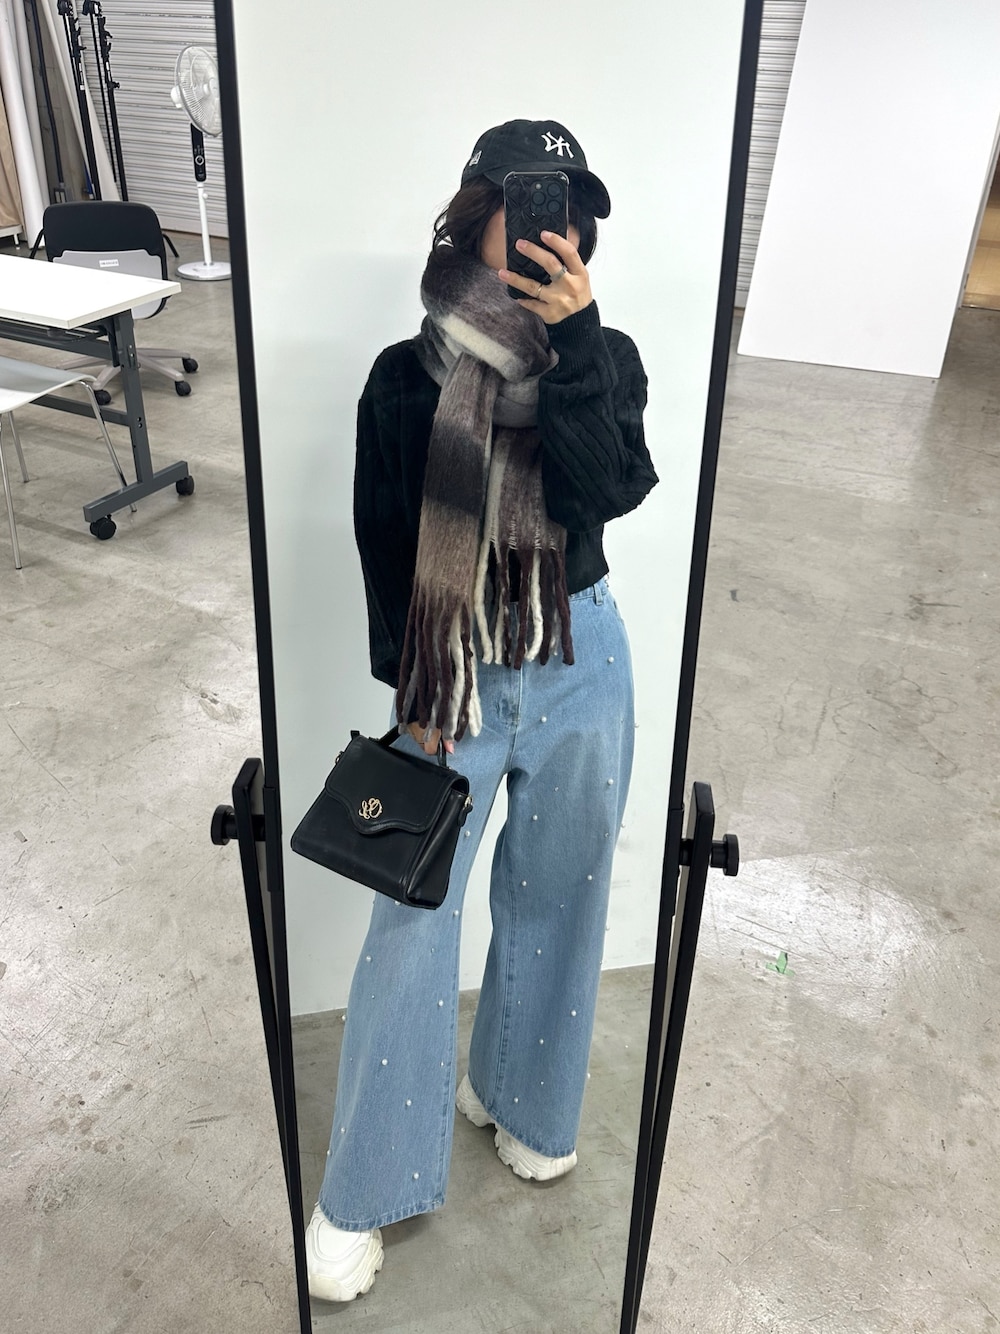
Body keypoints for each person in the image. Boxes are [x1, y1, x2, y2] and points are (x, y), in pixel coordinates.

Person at [305, 118, 658, 1303]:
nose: (562, 228)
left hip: (578, 656)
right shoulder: (401, 378)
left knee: (561, 893)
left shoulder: (601, 355)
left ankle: (517, 1095)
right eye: (536, 202)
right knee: (411, 923)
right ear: (475, 216)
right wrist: (414, 682)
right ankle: (364, 1187)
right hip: (448, 673)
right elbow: (379, 540)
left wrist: (580, 341)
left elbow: (610, 491)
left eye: (575, 208)